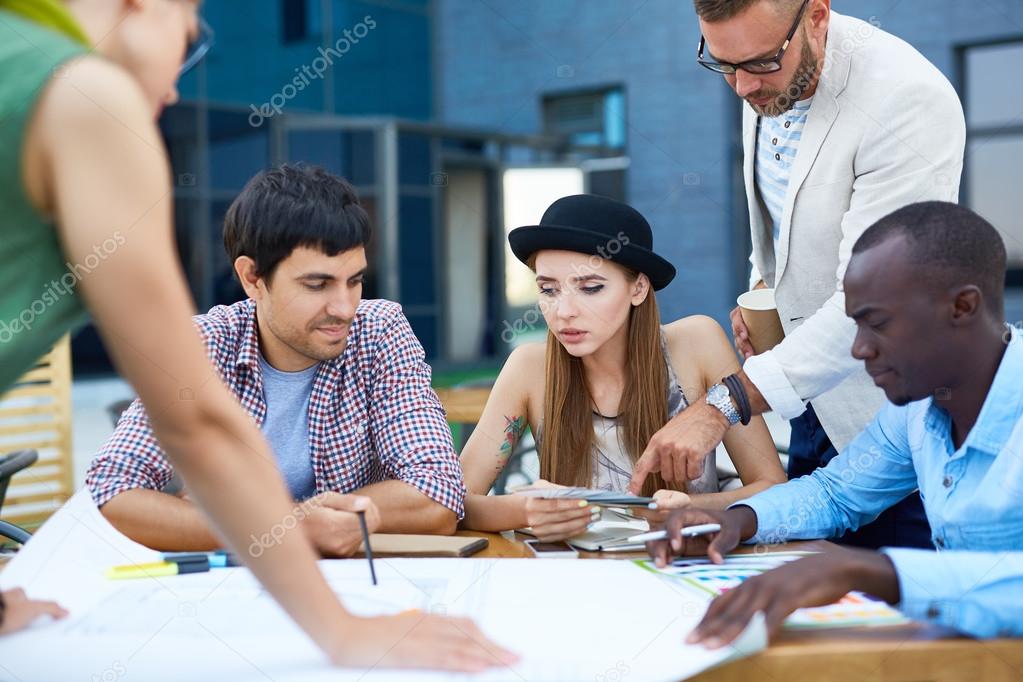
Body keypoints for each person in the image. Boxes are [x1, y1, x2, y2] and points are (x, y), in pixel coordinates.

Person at [0, 0, 513, 669]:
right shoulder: (86, 98)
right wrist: (337, 623)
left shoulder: (22, 60)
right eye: (189, 38)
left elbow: (437, 493)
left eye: (355, 281)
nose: (176, 85)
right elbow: (156, 462)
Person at [630, 0, 966, 550]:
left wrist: (723, 404)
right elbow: (788, 223)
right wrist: (763, 291)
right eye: (722, 64)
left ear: (816, 16)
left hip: (899, 423)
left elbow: (877, 299)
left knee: (902, 619)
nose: (741, 87)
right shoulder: (761, 71)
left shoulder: (907, 100)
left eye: (759, 63)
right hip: (810, 406)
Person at [649, 202, 1023, 644]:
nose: (860, 350)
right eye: (855, 326)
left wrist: (866, 570)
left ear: (962, 306)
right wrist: (738, 520)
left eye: (878, 324)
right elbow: (837, 494)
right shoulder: (917, 408)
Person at [86, 165, 466, 553]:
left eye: (354, 281)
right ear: (252, 278)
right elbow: (109, 497)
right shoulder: (201, 345)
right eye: (317, 285)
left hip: (355, 587)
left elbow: (438, 495)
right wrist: (294, 528)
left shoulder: (379, 331)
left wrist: (258, 520)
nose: (345, 308)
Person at [459, 194, 786, 540]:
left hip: (681, 571)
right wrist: (525, 512)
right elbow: (453, 501)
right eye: (548, 289)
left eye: (590, 288)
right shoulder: (528, 367)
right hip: (575, 579)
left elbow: (773, 487)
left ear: (639, 288)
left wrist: (694, 508)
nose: (563, 311)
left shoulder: (697, 343)